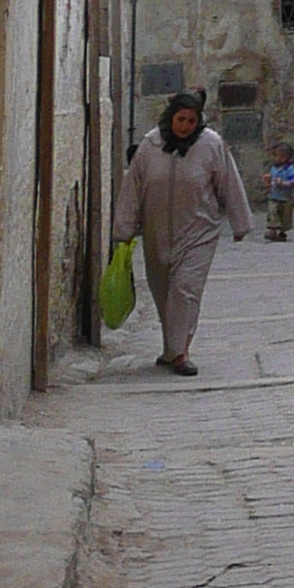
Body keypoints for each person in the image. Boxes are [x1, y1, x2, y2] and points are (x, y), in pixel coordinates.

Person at [111, 89, 252, 376]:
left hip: (200, 230)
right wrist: (124, 227)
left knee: (185, 289)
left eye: (191, 120)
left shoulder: (212, 145)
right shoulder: (150, 146)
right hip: (156, 232)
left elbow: (229, 183)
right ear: (169, 117)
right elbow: (132, 188)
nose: (185, 126)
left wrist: (240, 223)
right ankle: (171, 348)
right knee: (162, 290)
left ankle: (181, 353)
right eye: (180, 119)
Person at [264, 141, 294, 242]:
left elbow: (293, 182)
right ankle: (272, 230)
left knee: (285, 214)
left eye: (275, 155)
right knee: (272, 211)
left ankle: (282, 232)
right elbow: (271, 181)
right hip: (274, 195)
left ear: (283, 157)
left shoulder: (290, 169)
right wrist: (267, 182)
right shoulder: (273, 168)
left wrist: (283, 183)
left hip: (285, 197)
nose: (273, 158)